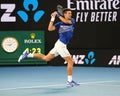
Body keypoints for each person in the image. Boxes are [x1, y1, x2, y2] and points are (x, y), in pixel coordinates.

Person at [18, 8, 79, 87]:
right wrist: (53, 18)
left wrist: (57, 15)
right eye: (69, 13)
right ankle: (69, 81)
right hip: (60, 45)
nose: (70, 14)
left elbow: (66, 21)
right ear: (64, 14)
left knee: (46, 58)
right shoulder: (59, 24)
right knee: (70, 61)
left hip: (60, 45)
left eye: (71, 13)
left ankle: (28, 54)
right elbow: (50, 29)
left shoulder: (72, 20)